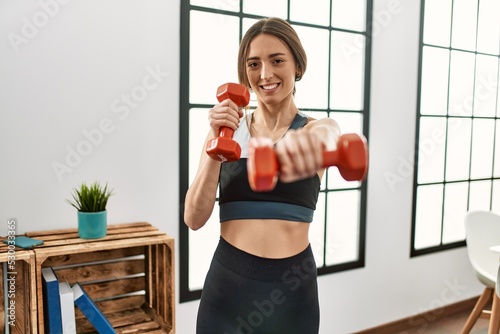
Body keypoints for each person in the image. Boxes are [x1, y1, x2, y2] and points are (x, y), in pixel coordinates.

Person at [184, 17, 340, 334]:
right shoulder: (227, 132)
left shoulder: (315, 129)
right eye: (254, 64)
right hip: (227, 289)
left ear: (298, 66)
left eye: (277, 60)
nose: (265, 74)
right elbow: (194, 218)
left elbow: (330, 134)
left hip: (292, 292)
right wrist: (217, 141)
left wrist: (313, 142)